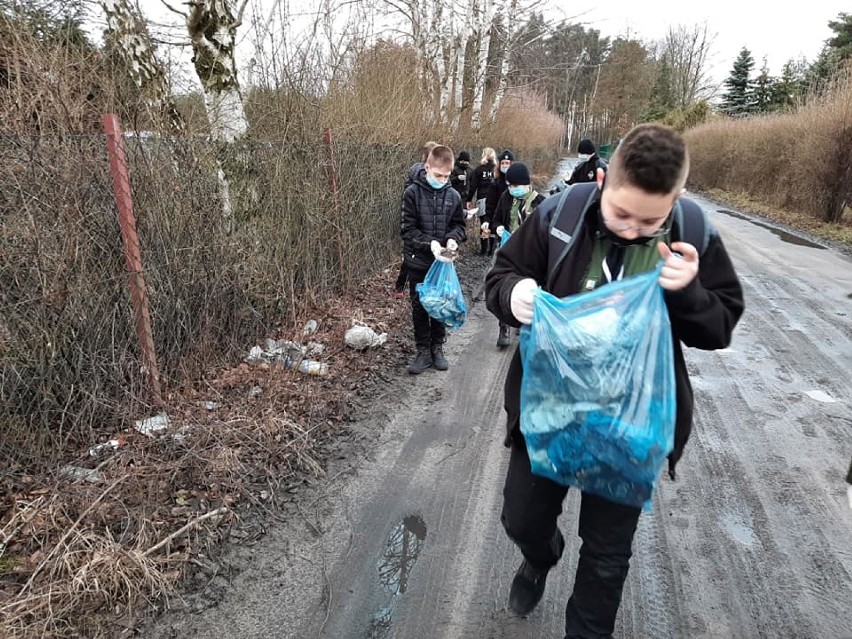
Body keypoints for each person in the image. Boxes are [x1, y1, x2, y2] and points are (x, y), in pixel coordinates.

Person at [485, 123, 744, 638]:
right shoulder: (560, 214)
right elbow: (502, 274)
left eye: (650, 220)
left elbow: (720, 327)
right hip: (552, 411)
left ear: (678, 198)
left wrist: (689, 293)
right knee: (522, 520)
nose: (632, 230)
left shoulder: (690, 230)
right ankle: (541, 556)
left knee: (607, 559)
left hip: (632, 425)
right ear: (603, 179)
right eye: (621, 214)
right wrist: (514, 296)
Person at [401, 145, 467, 375]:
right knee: (420, 307)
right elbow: (407, 230)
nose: (442, 179)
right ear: (427, 167)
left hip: (443, 262)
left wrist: (452, 240)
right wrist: (429, 243)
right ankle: (422, 351)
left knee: (441, 304)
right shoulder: (412, 194)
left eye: (446, 176)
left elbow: (459, 226)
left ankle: (437, 348)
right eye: (438, 175)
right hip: (418, 260)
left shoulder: (453, 195)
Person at [490, 162, 544, 348]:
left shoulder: (540, 202)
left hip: (531, 256)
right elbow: (496, 218)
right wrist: (497, 227)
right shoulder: (506, 198)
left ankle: (525, 324)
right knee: (505, 288)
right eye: (509, 186)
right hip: (508, 252)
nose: (511, 189)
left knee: (529, 291)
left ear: (525, 184)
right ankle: (503, 327)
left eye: (514, 186)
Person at [394, 140, 440, 298]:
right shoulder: (423, 177)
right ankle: (409, 288)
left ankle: (400, 287)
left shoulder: (413, 173)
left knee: (410, 256)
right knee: (414, 257)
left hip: (412, 220)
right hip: (419, 222)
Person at [481, 149, 514, 256]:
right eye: (503, 163)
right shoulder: (495, 183)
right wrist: (487, 220)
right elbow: (490, 203)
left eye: (507, 163)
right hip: (498, 219)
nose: (505, 165)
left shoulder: (517, 183)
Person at [467, 147, 497, 251]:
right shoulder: (496, 169)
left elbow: (473, 186)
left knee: (483, 223)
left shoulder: (479, 170)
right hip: (495, 199)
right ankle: (492, 249)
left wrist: (469, 199)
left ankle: (484, 248)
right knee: (493, 223)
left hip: (482, 198)